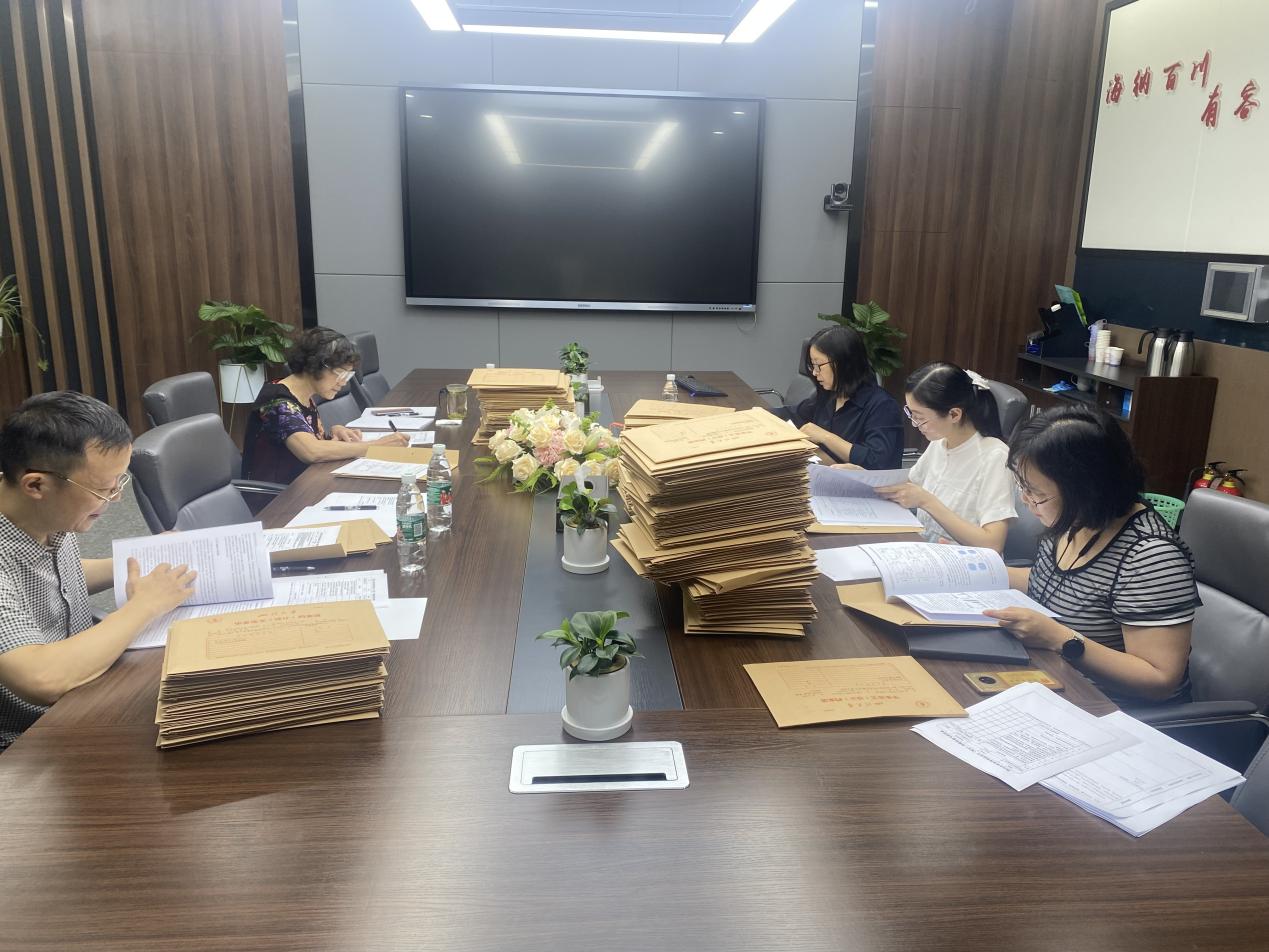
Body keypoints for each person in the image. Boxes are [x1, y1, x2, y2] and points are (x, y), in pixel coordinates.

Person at [0, 392, 197, 751]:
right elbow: (41, 677)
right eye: (103, 489)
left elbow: (53, 575)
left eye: (119, 483)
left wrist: (138, 560)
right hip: (31, 742)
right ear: (36, 485)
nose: (116, 498)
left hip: (90, 693)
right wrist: (144, 606)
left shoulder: (46, 515)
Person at [982, 404, 1199, 705]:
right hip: (1051, 680)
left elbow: (1159, 679)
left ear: (1084, 488)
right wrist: (975, 570)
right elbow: (1060, 583)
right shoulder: (1073, 520)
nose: (1026, 500)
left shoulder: (1150, 557)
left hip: (1114, 709)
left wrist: (1059, 638)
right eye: (1023, 486)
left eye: (1037, 493)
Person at [866, 362, 1016, 552]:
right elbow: (909, 483)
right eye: (911, 414)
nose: (914, 423)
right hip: (926, 548)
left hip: (964, 562)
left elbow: (993, 544)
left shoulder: (994, 457)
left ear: (954, 414)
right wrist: (862, 477)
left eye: (920, 418)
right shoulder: (942, 440)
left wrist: (926, 501)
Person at [242, 327, 407, 484]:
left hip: (307, 482)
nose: (343, 382)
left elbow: (301, 435)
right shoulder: (278, 402)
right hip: (280, 497)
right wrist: (376, 447)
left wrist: (331, 433)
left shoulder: (302, 395)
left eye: (347, 376)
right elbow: (312, 451)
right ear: (315, 365)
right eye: (340, 374)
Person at [791, 325, 903, 469]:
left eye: (818, 365)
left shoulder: (883, 406)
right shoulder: (830, 394)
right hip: (823, 472)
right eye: (812, 366)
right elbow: (795, 414)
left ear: (843, 363)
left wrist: (826, 437)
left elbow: (877, 461)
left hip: (858, 482)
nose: (814, 372)